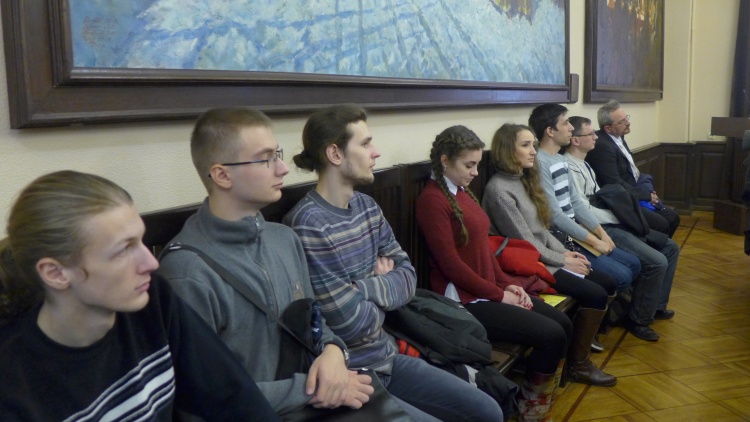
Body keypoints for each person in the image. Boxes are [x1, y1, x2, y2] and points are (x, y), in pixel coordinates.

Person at [283, 104, 503, 422]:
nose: (376, 152)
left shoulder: (367, 206)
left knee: (488, 410)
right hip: (351, 374)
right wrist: (384, 288)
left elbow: (408, 279)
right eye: (365, 143)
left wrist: (362, 288)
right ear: (335, 154)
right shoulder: (309, 224)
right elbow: (349, 324)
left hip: (388, 353)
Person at [0, 170, 278, 422]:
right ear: (56, 273)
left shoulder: (151, 298)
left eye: (141, 241)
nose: (151, 263)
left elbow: (234, 397)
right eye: (123, 250)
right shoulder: (14, 384)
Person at [157, 108, 374, 417]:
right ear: (222, 175)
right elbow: (203, 394)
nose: (283, 168)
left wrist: (333, 351)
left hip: (316, 405)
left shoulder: (284, 239)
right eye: (266, 159)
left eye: (278, 155)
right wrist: (309, 389)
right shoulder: (187, 272)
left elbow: (313, 322)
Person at [415, 126, 617, 420]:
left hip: (488, 289)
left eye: (477, 165)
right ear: (445, 160)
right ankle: (530, 409)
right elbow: (451, 266)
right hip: (464, 299)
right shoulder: (432, 200)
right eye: (469, 165)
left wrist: (508, 285)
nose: (475, 172)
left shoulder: (460, 190)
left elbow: (484, 250)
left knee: (562, 323)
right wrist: (499, 294)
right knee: (550, 335)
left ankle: (537, 399)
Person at [483, 123, 625, 383]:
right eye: (525, 145)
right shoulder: (499, 190)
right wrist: (561, 261)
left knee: (606, 282)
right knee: (594, 293)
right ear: (507, 150)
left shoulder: (524, 179)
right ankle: (578, 365)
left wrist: (566, 254)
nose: (533, 151)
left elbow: (542, 228)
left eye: (533, 145)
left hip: (546, 255)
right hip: (529, 264)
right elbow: (525, 242)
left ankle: (577, 355)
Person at [564, 115, 678, 337]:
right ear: (575, 140)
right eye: (590, 133)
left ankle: (655, 306)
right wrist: (619, 217)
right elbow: (583, 210)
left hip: (608, 221)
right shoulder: (569, 167)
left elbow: (600, 198)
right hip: (600, 228)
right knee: (656, 261)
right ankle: (639, 320)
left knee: (670, 247)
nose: (596, 137)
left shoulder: (584, 164)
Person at [528, 103, 641, 296]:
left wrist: (601, 234)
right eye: (565, 123)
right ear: (550, 131)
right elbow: (555, 215)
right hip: (560, 238)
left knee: (634, 263)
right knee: (621, 275)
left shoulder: (560, 159)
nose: (571, 127)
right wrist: (594, 242)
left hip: (576, 230)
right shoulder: (540, 163)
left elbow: (577, 203)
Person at [587, 100, 681, 238]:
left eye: (627, 118)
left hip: (637, 186)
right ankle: (656, 249)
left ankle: (661, 247)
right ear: (608, 128)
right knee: (665, 222)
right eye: (622, 121)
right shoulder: (603, 147)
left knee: (672, 217)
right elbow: (614, 182)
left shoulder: (618, 135)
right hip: (622, 198)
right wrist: (646, 196)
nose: (628, 123)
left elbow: (631, 171)